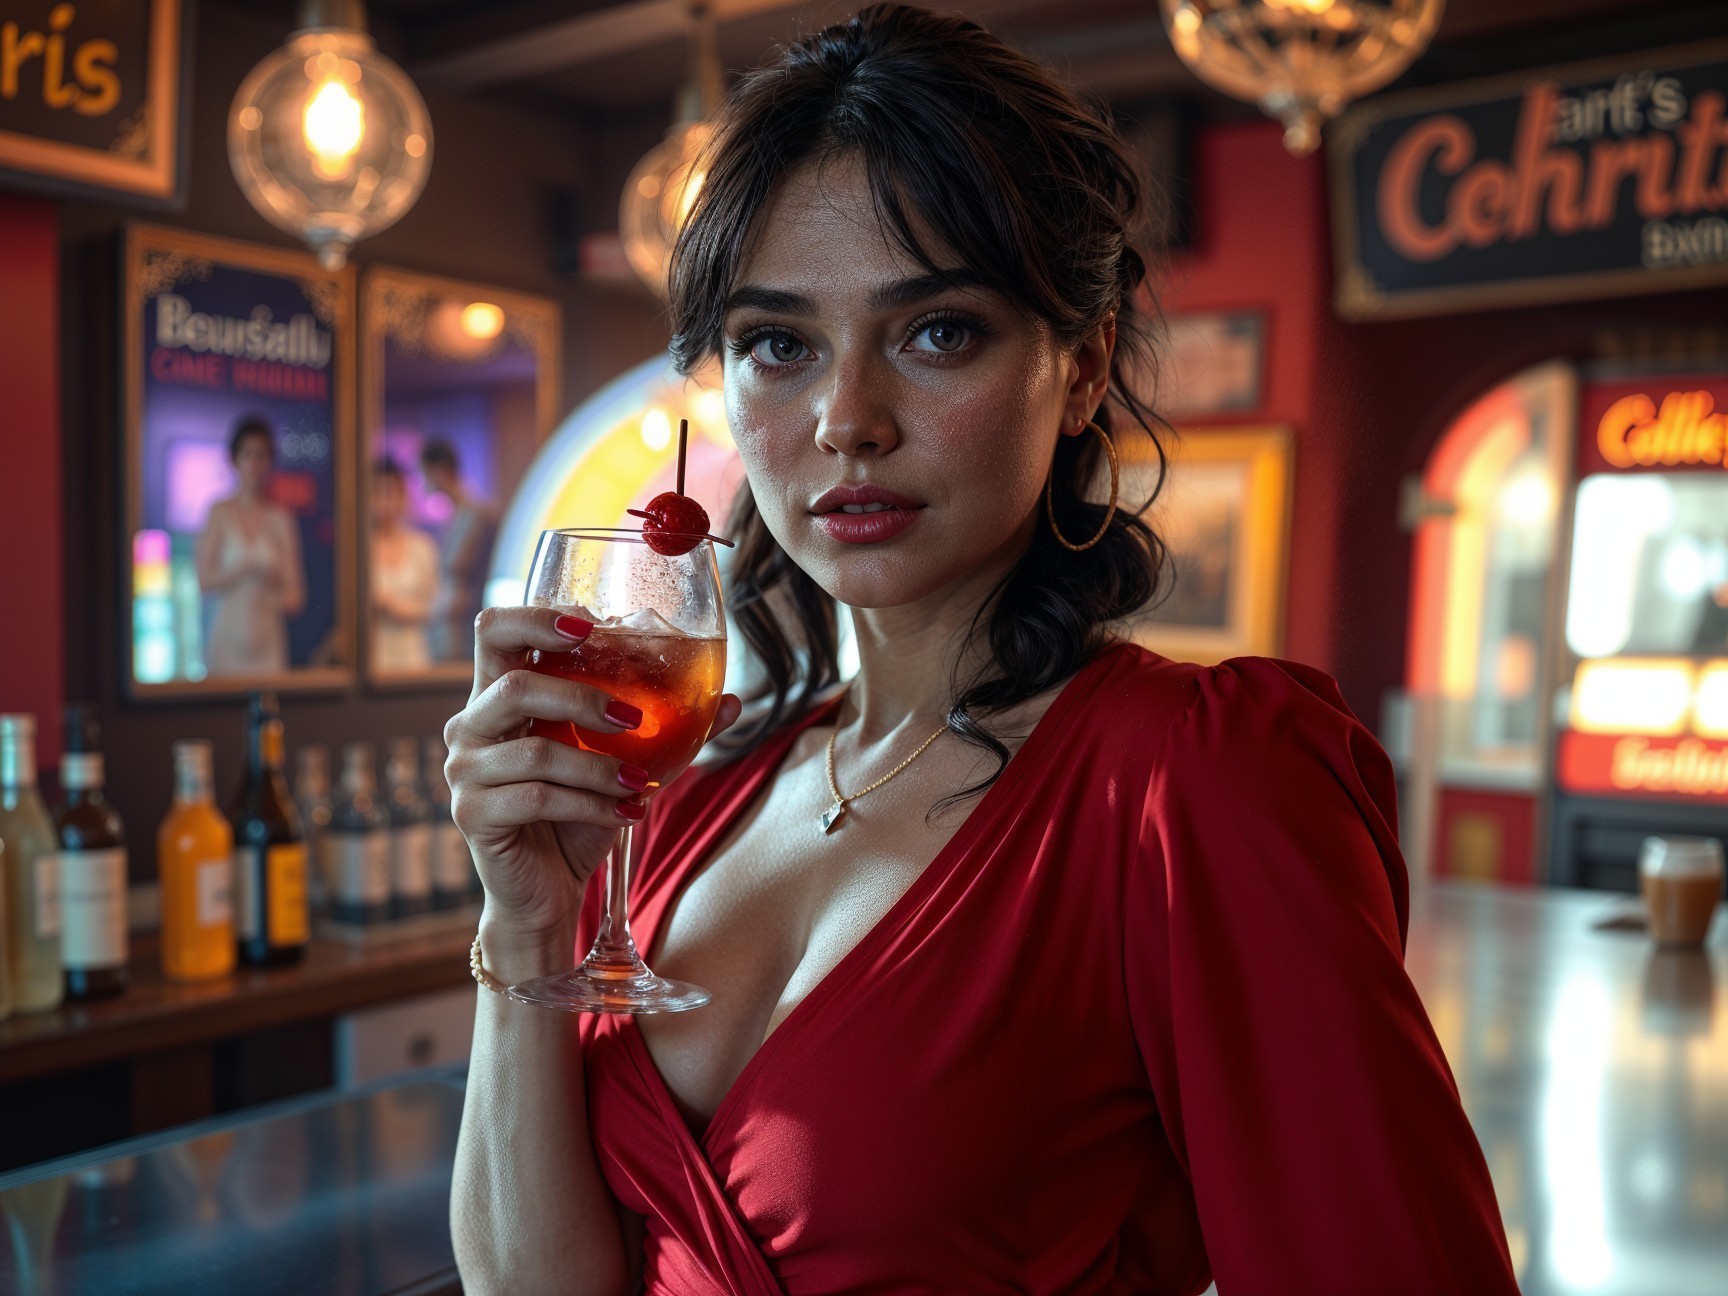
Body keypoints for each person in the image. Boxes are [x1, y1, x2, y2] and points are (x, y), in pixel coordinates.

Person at [444, 7, 1521, 1294]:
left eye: (937, 330)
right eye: (779, 344)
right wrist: (528, 924)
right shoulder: (692, 803)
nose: (848, 419)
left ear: (1079, 368)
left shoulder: (1195, 785)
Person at [196, 415, 305, 677]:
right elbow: (204, 581)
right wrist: (245, 569)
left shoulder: (281, 518)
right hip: (226, 640)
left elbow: (295, 597)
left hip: (267, 642)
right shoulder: (219, 512)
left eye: (262, 455)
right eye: (248, 454)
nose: (255, 463)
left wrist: (273, 582)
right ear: (235, 459)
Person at [420, 438, 498, 663]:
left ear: (438, 470)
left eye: (425, 472)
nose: (423, 481)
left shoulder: (476, 514)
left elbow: (463, 571)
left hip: (465, 626)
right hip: (453, 623)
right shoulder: (458, 515)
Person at [370, 458, 440, 673]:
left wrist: (392, 607)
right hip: (373, 659)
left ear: (403, 495)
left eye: (390, 492)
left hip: (414, 656)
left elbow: (437, 606)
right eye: (376, 493)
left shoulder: (422, 546)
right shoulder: (359, 551)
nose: (384, 502)